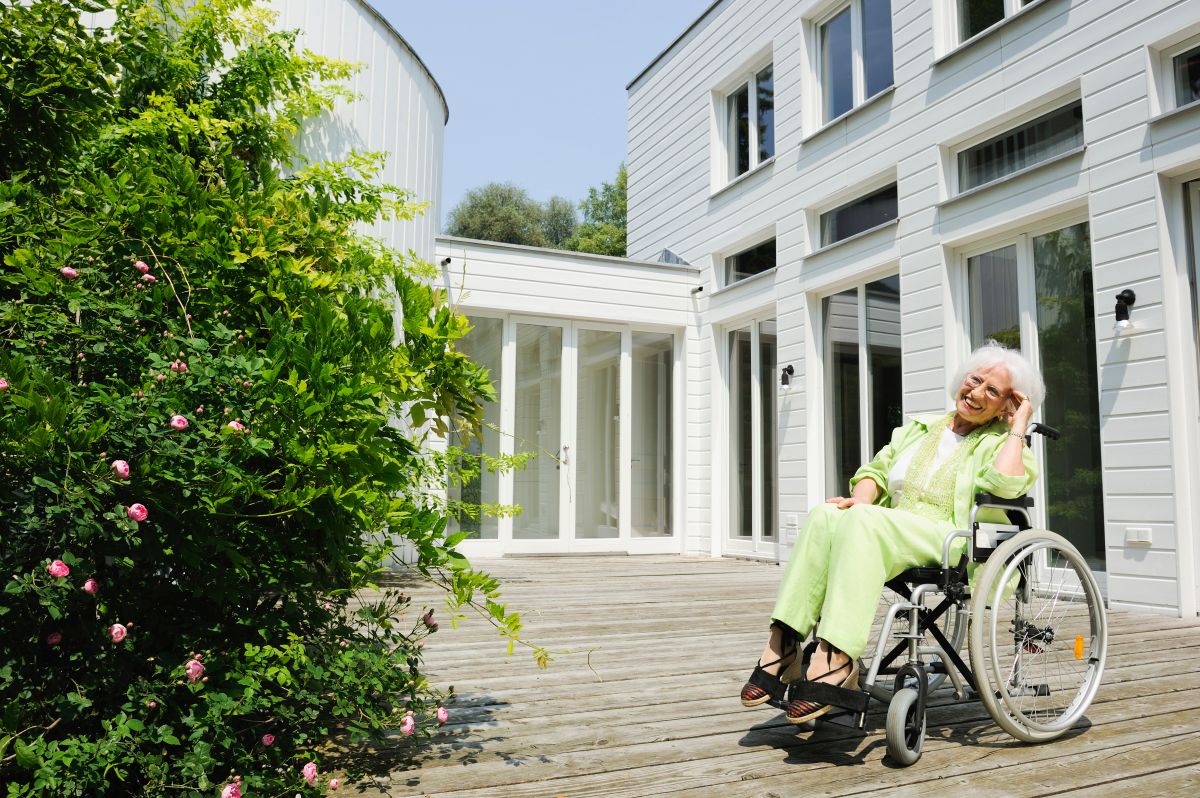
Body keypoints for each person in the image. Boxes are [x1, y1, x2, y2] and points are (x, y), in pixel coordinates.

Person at [740, 341, 1044, 724]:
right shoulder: (919, 429)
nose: (977, 392)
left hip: (949, 537)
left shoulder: (1001, 442)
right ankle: (783, 644)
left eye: (993, 391)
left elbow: (1005, 485)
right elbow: (876, 472)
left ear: (1005, 406)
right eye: (975, 380)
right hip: (890, 528)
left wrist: (1019, 424)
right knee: (825, 514)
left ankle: (835, 659)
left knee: (864, 521)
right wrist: (859, 501)